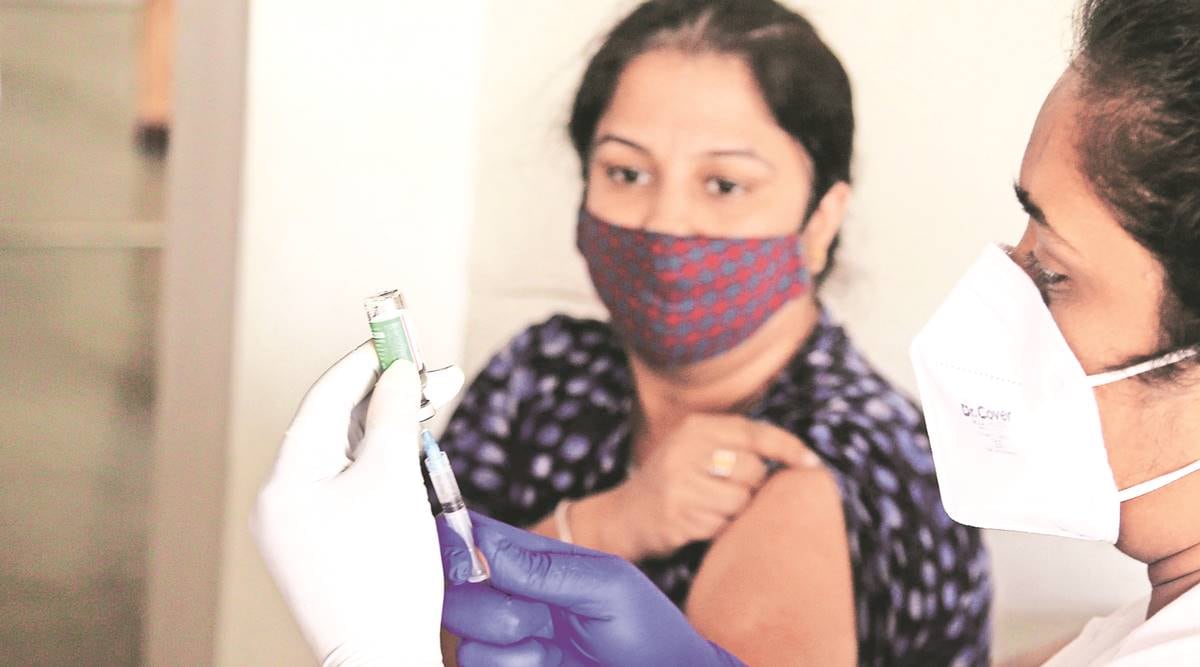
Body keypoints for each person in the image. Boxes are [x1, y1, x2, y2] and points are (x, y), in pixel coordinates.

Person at [438, 0, 1200, 664]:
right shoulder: (542, 370)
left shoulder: (835, 460)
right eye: (627, 172)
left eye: (725, 184)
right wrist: (599, 523)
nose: (668, 221)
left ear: (821, 220)